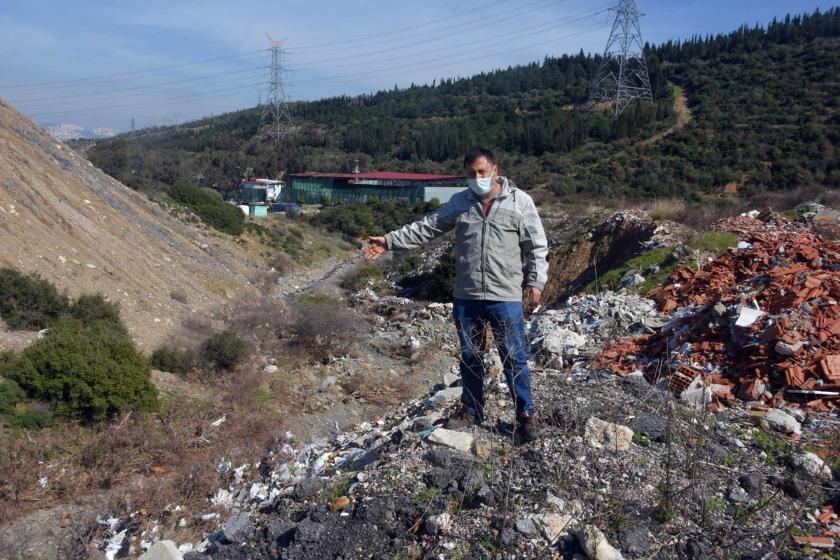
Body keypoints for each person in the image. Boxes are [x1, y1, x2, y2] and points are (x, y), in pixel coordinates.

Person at [363, 147, 549, 442]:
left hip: (506, 296)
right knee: (470, 356)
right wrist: (389, 241)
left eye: (482, 172)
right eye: (471, 174)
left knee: (513, 356)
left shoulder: (520, 202)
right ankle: (472, 410)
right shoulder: (460, 203)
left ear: (495, 170)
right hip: (467, 296)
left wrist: (536, 283)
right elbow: (427, 227)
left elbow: (537, 247)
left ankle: (525, 414)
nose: (477, 178)